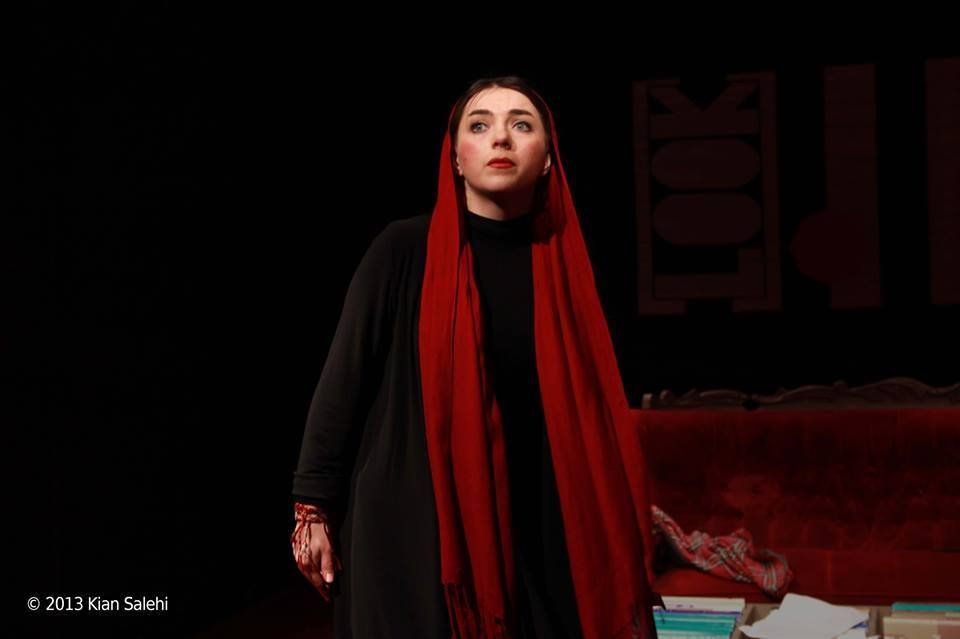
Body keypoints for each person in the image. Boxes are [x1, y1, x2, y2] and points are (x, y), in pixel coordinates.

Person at [290, 76, 660, 639]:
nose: (501, 139)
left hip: (540, 517)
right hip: (413, 523)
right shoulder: (402, 250)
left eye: (521, 125)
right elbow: (344, 381)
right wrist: (312, 507)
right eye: (480, 125)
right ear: (457, 159)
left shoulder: (567, 270)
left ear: (547, 160)